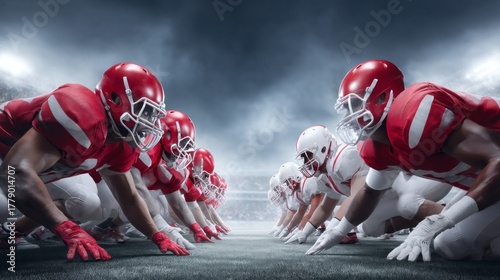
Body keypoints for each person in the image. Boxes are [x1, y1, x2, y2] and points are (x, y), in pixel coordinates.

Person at [308, 59, 500, 261]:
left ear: (384, 97)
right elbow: (370, 193)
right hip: (490, 180)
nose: (350, 115)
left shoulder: (413, 117)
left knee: (454, 241)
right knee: (446, 244)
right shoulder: (381, 146)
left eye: (354, 104)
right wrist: (339, 231)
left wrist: (444, 218)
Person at [0, 62, 189, 261]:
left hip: (30, 166)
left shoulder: (121, 144)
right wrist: (67, 229)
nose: (148, 122)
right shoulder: (81, 111)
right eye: (143, 110)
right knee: (5, 205)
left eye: (152, 115)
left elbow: (130, 199)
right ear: (115, 99)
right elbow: (13, 172)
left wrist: (156, 235)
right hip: (7, 154)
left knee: (86, 203)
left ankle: (10, 232)